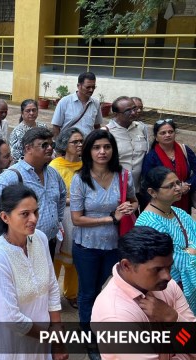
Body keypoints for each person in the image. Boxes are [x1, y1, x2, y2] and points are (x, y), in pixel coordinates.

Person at [0, 184, 65, 359]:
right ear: (5, 217)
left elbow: (52, 286)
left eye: (35, 212)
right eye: (25, 214)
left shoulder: (40, 238)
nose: (34, 219)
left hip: (42, 338)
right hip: (12, 343)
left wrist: (57, 333)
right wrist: (52, 338)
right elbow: (11, 317)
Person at [92, 226, 196, 359]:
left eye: (169, 267)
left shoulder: (166, 286)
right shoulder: (115, 315)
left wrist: (172, 319)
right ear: (126, 266)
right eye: (157, 269)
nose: (168, 276)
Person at [70, 129, 137, 335]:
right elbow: (76, 219)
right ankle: (87, 333)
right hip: (86, 247)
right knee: (88, 292)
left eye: (107, 147)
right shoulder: (80, 179)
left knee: (109, 290)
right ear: (89, 151)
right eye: (97, 147)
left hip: (115, 245)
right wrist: (111, 218)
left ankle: (104, 329)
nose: (102, 152)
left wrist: (130, 208)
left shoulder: (124, 175)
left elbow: (134, 201)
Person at [0, 127, 66, 257]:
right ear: (28, 149)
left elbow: (62, 195)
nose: (50, 148)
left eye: (51, 145)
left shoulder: (53, 173)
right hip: (24, 246)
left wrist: (57, 221)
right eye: (44, 145)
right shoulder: (14, 175)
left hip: (48, 243)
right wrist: (8, 228)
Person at [136, 167, 196, 314]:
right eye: (170, 186)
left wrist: (190, 252)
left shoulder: (179, 212)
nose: (177, 188)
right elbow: (176, 260)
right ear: (152, 192)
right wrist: (189, 252)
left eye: (178, 183)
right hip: (168, 289)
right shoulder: (148, 223)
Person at [49, 127, 83, 309]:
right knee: (56, 258)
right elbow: (53, 195)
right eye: (75, 142)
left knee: (76, 258)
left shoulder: (86, 166)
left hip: (80, 219)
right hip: (62, 218)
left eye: (81, 141)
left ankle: (72, 293)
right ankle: (51, 297)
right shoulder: (55, 167)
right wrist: (75, 200)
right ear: (64, 144)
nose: (79, 145)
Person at [141, 119, 195, 213]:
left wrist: (188, 185)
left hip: (184, 200)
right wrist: (175, 188)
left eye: (170, 132)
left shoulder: (185, 150)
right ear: (156, 137)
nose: (168, 135)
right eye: (163, 133)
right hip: (163, 204)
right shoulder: (151, 158)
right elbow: (148, 183)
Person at [106, 96, 149, 193]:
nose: (134, 113)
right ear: (116, 114)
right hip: (116, 190)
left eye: (134, 108)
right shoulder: (107, 132)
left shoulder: (141, 128)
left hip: (139, 189)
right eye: (128, 111)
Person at [51, 71, 102, 138]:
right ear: (79, 86)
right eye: (88, 87)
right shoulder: (65, 101)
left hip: (87, 145)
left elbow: (97, 126)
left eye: (93, 87)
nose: (91, 90)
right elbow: (56, 126)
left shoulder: (96, 103)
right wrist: (58, 145)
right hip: (68, 146)